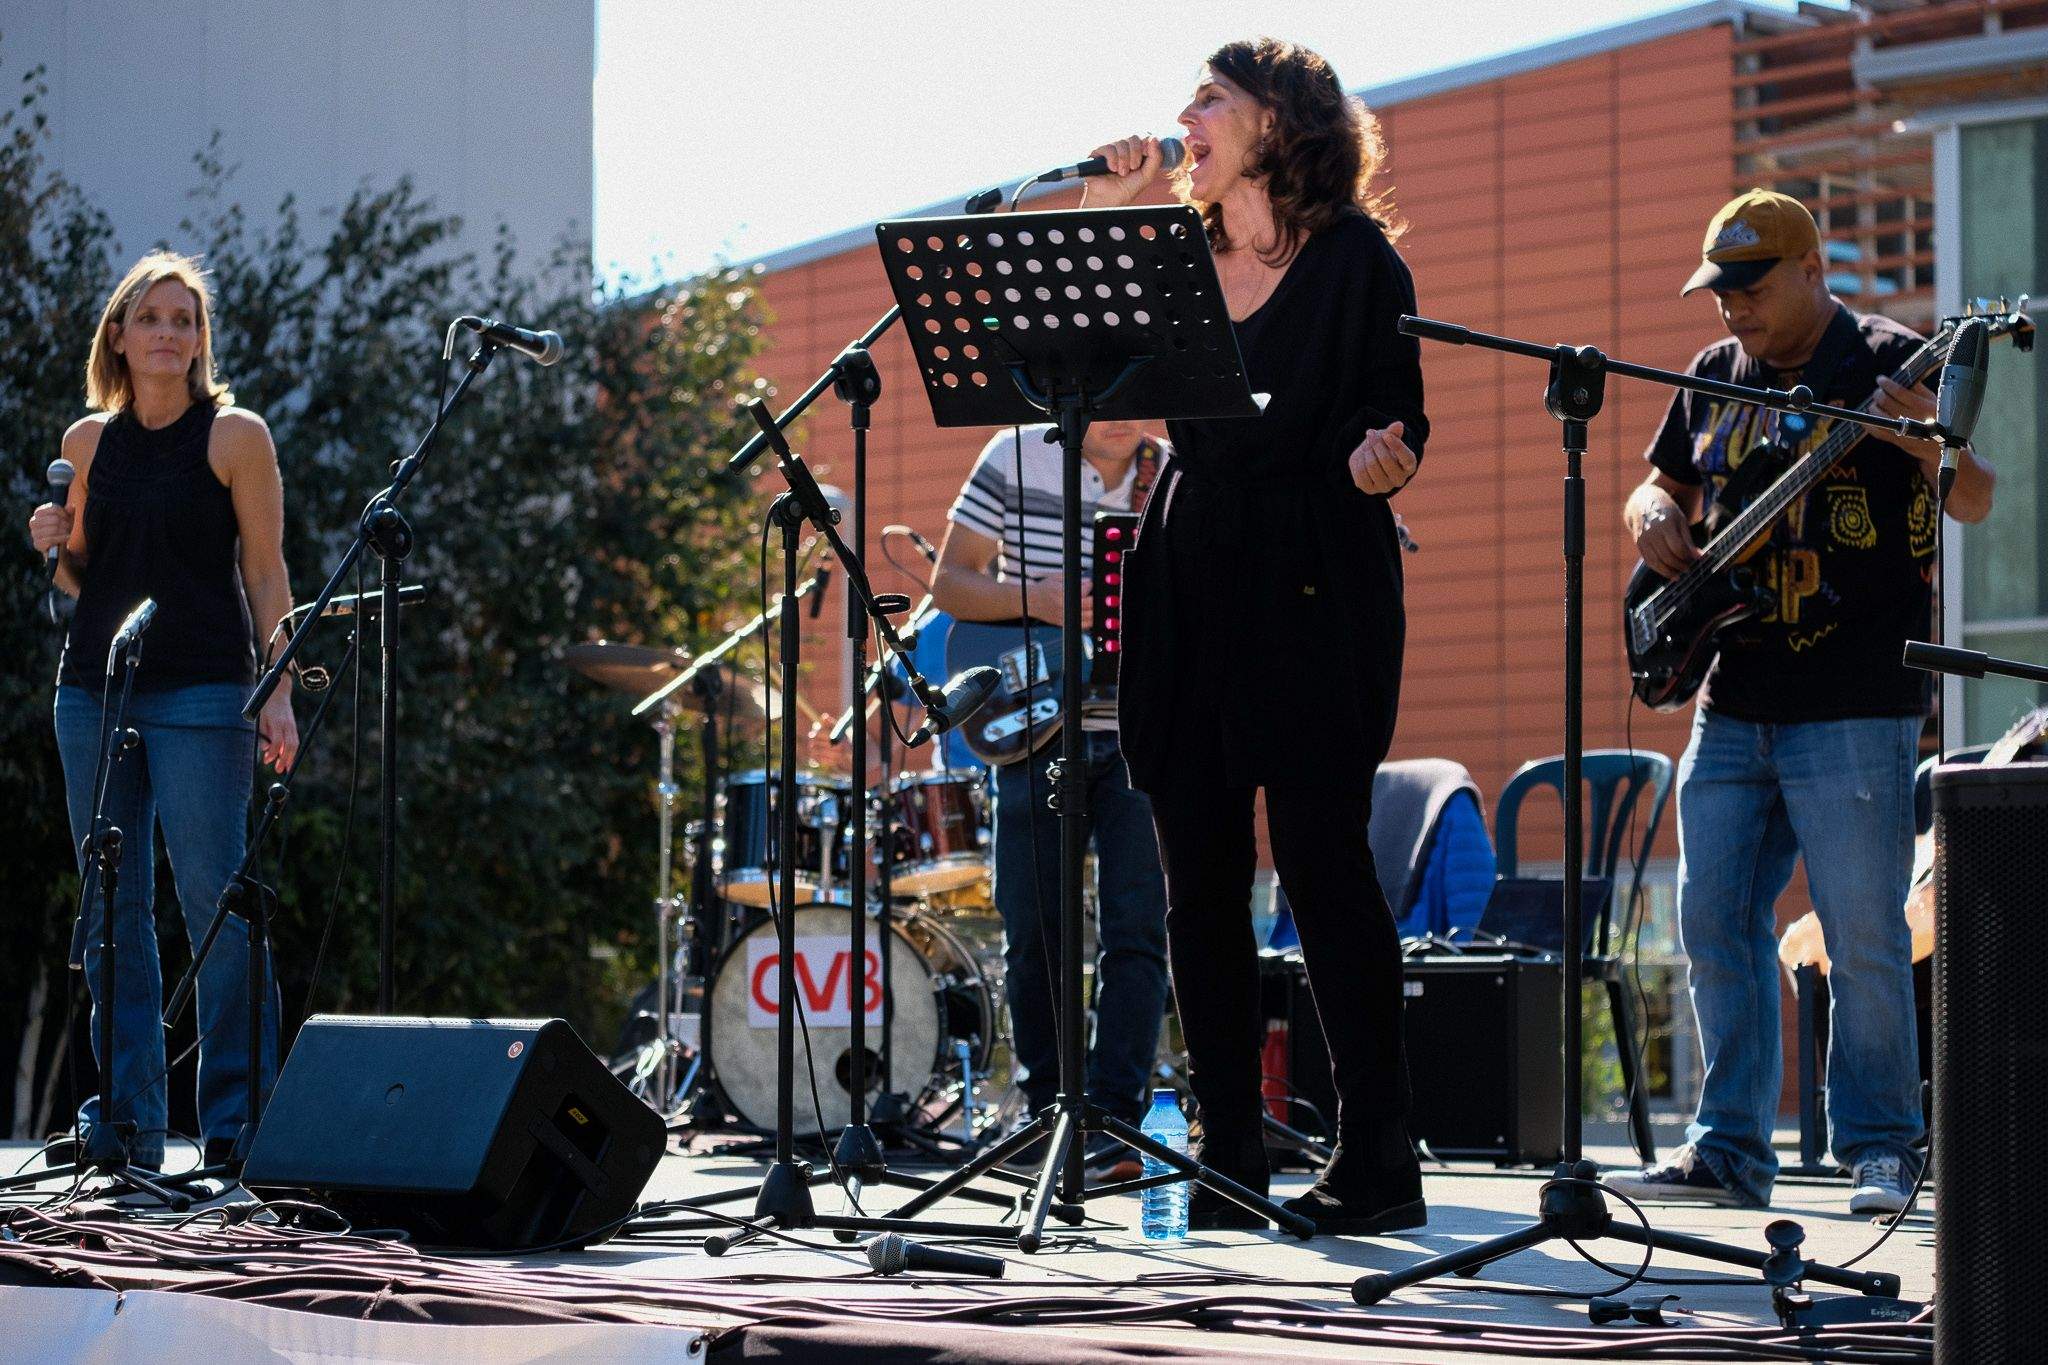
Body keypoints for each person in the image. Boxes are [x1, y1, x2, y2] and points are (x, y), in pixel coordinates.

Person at [1084, 37, 1429, 1235]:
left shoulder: (1356, 262)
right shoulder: (1175, 253)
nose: (1182, 115)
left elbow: (1397, 420)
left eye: (1210, 99)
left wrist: (1382, 458)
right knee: (1197, 882)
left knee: (1324, 866)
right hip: (1189, 566)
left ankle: (1377, 1153)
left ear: (1278, 123)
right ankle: (1227, 1149)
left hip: (1316, 569)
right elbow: (1091, 432)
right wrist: (1107, 212)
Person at [1606, 190, 1994, 1215]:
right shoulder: (1708, 373)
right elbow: (1657, 487)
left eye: (1748, 286)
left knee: (1862, 934)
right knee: (1712, 924)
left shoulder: (1889, 359)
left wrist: (1920, 438)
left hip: (1854, 701)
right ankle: (1726, 1147)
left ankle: (1880, 1147)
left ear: (1812, 271)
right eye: (1716, 290)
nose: (1729, 308)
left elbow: (1975, 495)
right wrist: (1650, 513)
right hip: (1729, 698)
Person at [27, 251, 298, 1174]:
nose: (170, 332)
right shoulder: (90, 443)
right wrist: (53, 542)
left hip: (205, 691)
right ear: (119, 332)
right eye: (153, 316)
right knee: (110, 909)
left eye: (186, 319)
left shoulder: (235, 437)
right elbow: (82, 577)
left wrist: (280, 692)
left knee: (217, 902)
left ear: (198, 340)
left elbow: (266, 573)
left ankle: (239, 1126)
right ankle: (131, 1128)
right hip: (92, 692)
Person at [929, 420, 1169, 1179]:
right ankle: (1043, 1115)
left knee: (1139, 932)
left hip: (1142, 730)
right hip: (1034, 731)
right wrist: (1040, 597)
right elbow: (949, 582)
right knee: (1035, 931)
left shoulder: (1176, 469)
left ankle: (1115, 1122)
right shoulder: (1014, 453)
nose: (1121, 414)